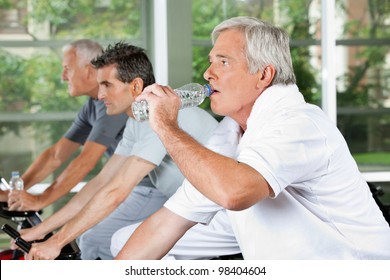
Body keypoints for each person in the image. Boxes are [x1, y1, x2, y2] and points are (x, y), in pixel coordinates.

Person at [113, 16, 390, 260]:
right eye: (211, 62)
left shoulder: (299, 123)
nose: (208, 73)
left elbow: (235, 193)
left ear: (264, 75)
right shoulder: (229, 135)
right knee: (127, 240)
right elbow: (166, 225)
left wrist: (165, 125)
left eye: (224, 62)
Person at [20, 42, 222, 260]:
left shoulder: (164, 114)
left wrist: (56, 242)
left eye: (107, 85)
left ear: (135, 86)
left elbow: (116, 191)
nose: (99, 95)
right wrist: (38, 233)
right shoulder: (136, 121)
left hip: (221, 215)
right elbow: (101, 183)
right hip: (194, 213)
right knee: (120, 243)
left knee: (120, 243)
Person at [1, 39, 128, 212]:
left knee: (89, 236)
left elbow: (85, 162)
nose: (63, 77)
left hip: (148, 187)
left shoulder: (113, 102)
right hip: (128, 185)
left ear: (89, 70)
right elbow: (55, 155)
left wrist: (41, 200)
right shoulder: (92, 106)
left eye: (67, 69)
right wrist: (14, 191)